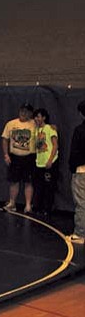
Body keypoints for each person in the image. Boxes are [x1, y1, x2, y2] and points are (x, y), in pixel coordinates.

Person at [1, 103, 36, 213]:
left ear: (30, 113)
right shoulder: (11, 124)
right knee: (14, 181)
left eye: (26, 111)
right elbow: (5, 139)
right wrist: (6, 154)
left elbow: (45, 129)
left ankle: (28, 205)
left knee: (28, 182)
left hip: (29, 157)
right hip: (15, 157)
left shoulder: (34, 124)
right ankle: (12, 203)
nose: (23, 113)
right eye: (22, 110)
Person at [33, 108, 59, 220]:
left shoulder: (50, 129)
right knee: (39, 186)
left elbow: (55, 145)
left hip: (49, 162)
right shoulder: (36, 130)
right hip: (39, 162)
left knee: (49, 187)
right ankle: (38, 207)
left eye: (39, 116)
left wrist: (50, 160)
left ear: (44, 117)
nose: (37, 119)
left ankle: (47, 209)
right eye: (36, 117)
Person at [68, 99, 85, 244]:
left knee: (81, 202)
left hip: (82, 170)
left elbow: (75, 152)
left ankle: (80, 233)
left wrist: (72, 167)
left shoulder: (80, 130)